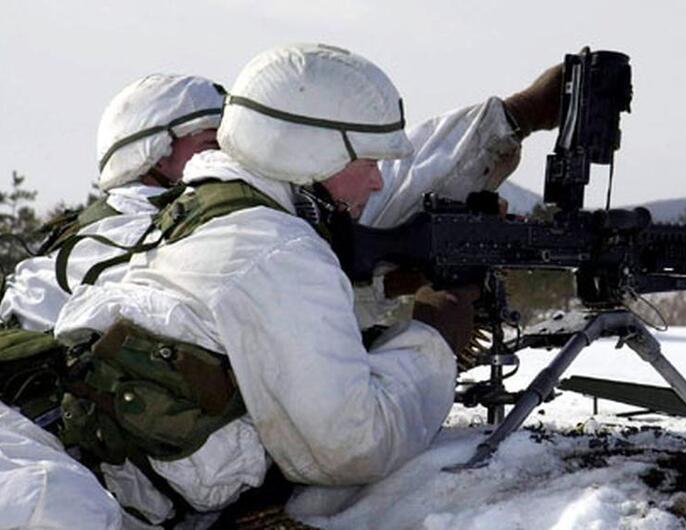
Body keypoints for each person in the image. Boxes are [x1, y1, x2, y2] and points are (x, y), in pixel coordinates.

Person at [53, 43, 562, 525]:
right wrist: (433, 337)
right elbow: (351, 446)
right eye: (368, 162)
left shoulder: (221, 208)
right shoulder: (275, 245)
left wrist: (381, 291)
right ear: (310, 152)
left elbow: (259, 323)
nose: (378, 180)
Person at [0, 73, 224, 332]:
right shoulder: (135, 239)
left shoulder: (100, 228)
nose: (225, 157)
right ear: (157, 153)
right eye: (211, 145)